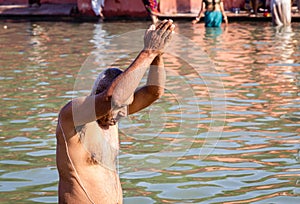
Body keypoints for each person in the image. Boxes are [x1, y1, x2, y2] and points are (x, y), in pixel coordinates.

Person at [56, 19, 175, 204]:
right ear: (95, 96)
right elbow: (112, 99)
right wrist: (148, 51)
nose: (118, 114)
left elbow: (154, 92)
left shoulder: (116, 113)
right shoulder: (72, 115)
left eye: (121, 110)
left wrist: (157, 54)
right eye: (114, 109)